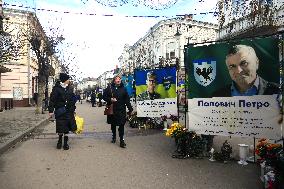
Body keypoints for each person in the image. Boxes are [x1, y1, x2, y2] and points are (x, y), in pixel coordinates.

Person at [213, 44, 279, 97]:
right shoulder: (217, 97)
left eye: (244, 63)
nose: (238, 71)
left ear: (256, 63)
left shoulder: (278, 92)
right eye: (232, 66)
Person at [103, 75, 133, 148]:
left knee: (121, 125)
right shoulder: (109, 88)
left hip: (121, 110)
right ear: (114, 80)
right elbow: (104, 97)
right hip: (112, 110)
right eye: (117, 79)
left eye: (119, 79)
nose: (118, 80)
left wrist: (130, 109)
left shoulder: (124, 89)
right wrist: (110, 99)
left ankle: (121, 140)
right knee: (113, 124)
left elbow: (127, 100)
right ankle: (114, 136)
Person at [48, 73, 77, 150]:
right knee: (60, 127)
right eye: (68, 79)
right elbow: (52, 100)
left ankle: (65, 143)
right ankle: (59, 141)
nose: (69, 80)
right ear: (64, 80)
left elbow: (72, 100)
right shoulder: (56, 88)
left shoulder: (70, 88)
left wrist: (73, 109)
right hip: (60, 111)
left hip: (69, 111)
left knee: (67, 127)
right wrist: (51, 110)